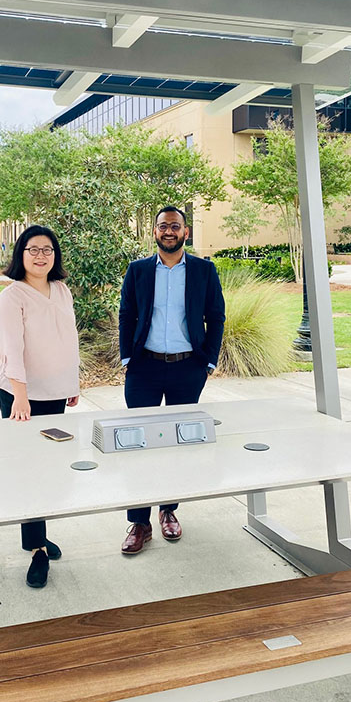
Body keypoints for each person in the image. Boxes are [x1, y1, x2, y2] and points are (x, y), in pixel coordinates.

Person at [118, 206, 225, 555]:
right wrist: (127, 358)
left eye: (175, 226)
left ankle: (168, 511)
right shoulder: (137, 271)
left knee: (178, 444)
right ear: (154, 232)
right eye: (163, 226)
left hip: (186, 369)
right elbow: (127, 314)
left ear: (186, 232)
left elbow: (217, 316)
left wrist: (207, 362)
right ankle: (139, 522)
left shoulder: (203, 270)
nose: (169, 231)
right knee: (138, 444)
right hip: (144, 368)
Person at [0, 224, 80, 588]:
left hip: (56, 393)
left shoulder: (60, 290)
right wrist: (21, 397)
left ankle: (39, 534)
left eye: (47, 249)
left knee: (50, 468)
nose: (41, 255)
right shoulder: (11, 298)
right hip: (22, 398)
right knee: (27, 472)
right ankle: (36, 551)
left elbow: (68, 338)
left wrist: (72, 384)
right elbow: (11, 351)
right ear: (21, 256)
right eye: (33, 249)